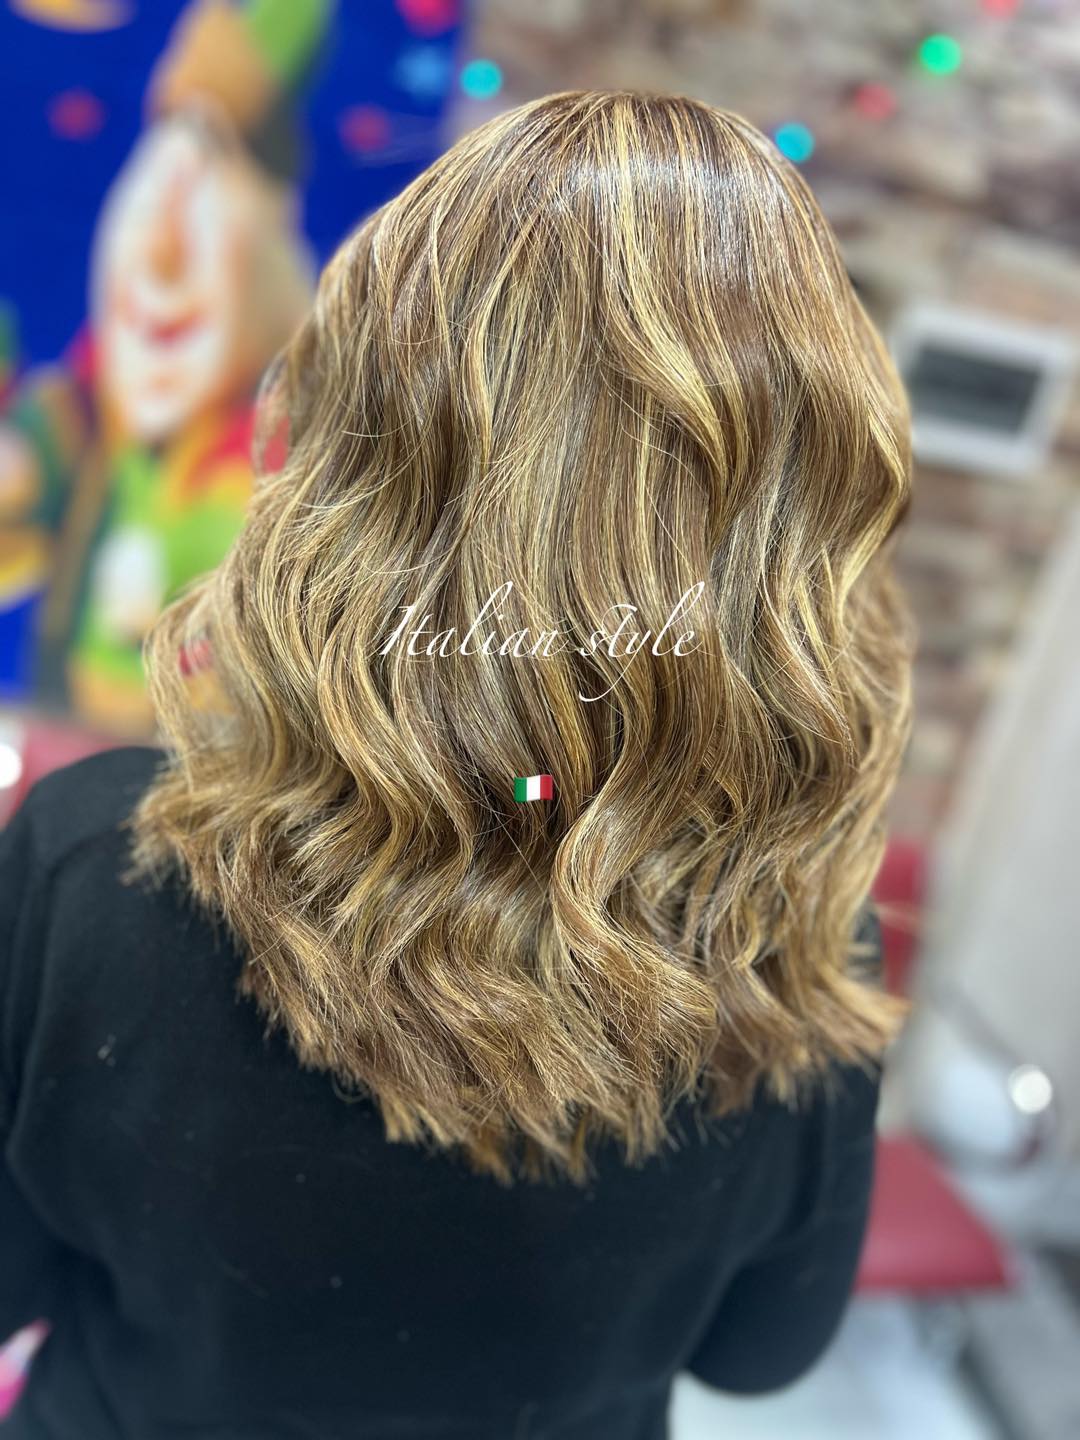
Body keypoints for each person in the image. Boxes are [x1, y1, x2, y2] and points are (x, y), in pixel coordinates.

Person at [0, 90, 913, 1440]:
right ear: (795, 521)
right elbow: (762, 1353)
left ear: (358, 442)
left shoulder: (97, 868)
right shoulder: (798, 940)